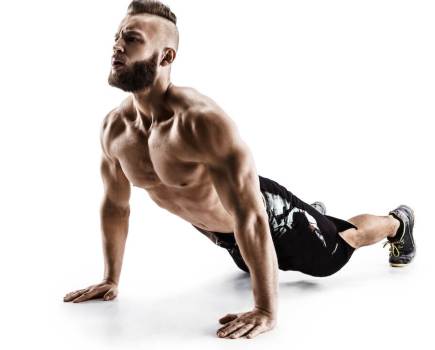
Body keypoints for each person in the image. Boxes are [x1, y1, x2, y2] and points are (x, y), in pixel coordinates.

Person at [63, 0, 416, 340]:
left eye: (132, 39)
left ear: (166, 56)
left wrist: (265, 310)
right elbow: (116, 206)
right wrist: (111, 279)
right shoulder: (115, 129)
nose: (117, 47)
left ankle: (397, 222)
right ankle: (313, 215)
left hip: (269, 215)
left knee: (332, 256)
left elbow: (251, 216)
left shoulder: (201, 123)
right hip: (226, 232)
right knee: (248, 266)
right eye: (117, 36)